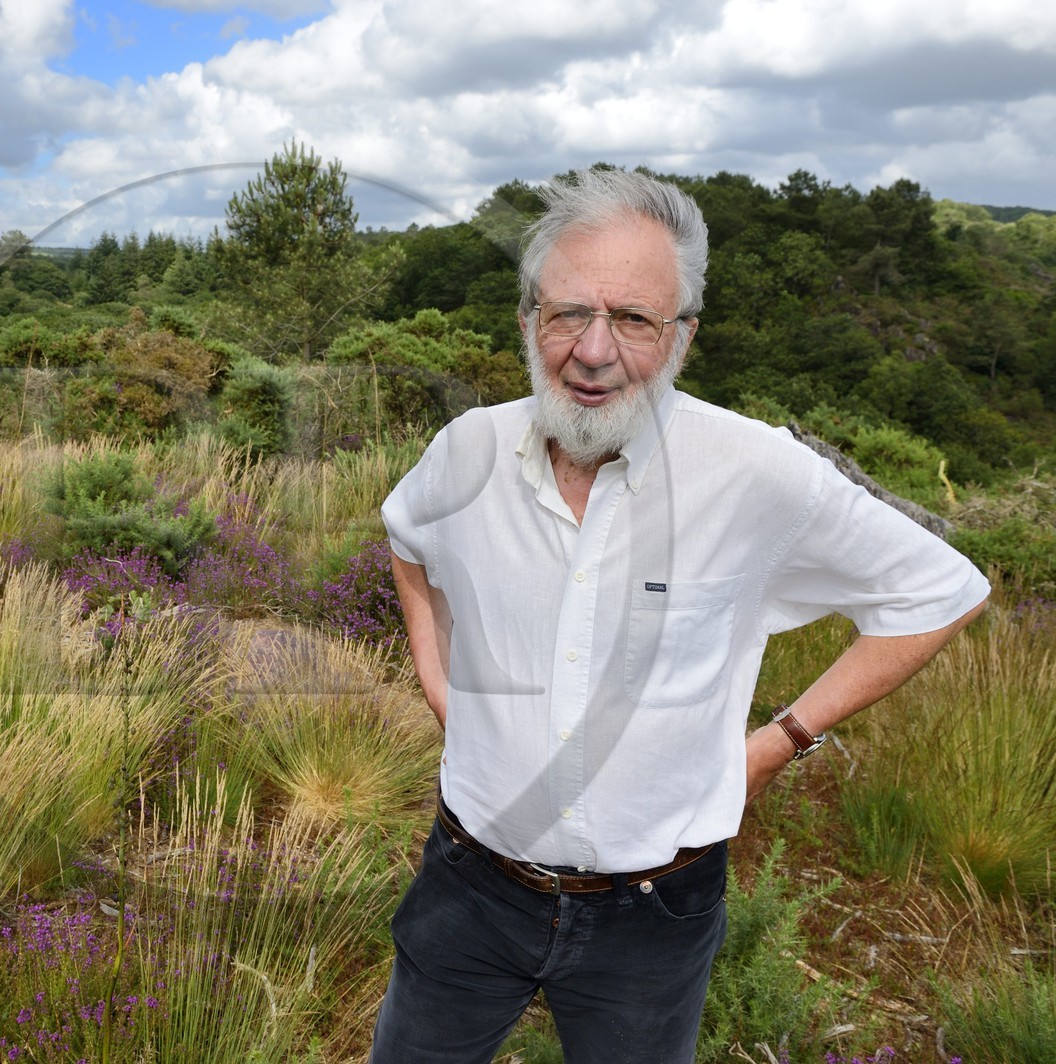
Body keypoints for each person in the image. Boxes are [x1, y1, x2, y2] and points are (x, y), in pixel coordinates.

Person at [369, 168, 989, 1064]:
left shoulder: (754, 471)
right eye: (568, 313)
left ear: (683, 336)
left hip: (652, 915)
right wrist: (438, 678)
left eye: (634, 319)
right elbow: (407, 535)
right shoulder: (468, 448)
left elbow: (939, 591)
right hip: (468, 882)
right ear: (528, 322)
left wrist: (781, 741)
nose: (593, 351)